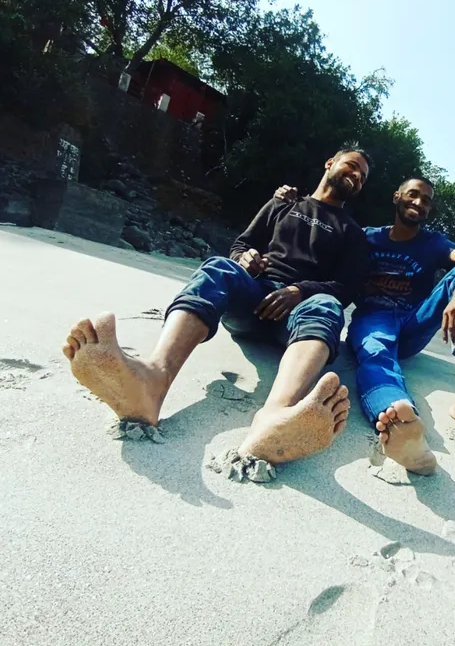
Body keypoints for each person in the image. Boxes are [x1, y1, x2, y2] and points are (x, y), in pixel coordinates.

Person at [62, 145, 372, 467]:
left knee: (327, 304)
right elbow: (242, 243)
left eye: (362, 177)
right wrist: (245, 258)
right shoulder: (283, 203)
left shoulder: (353, 234)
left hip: (299, 318)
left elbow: (346, 288)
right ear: (330, 162)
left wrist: (299, 290)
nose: (355, 176)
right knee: (219, 267)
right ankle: (152, 381)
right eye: (352, 166)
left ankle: (275, 417)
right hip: (252, 300)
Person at [274, 175, 455, 476]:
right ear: (397, 196)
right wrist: (286, 201)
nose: (419, 203)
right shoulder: (366, 237)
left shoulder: (433, 242)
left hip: (414, 322)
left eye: (426, 200)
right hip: (373, 317)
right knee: (376, 352)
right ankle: (397, 419)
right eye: (413, 195)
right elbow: (315, 235)